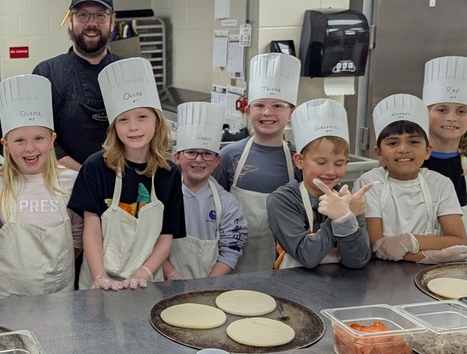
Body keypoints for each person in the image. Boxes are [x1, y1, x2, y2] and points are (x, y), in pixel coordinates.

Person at [69, 57, 185, 290]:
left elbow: (165, 236)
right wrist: (100, 278)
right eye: (123, 120)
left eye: (142, 117)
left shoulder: (168, 173)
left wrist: (144, 272)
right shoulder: (96, 167)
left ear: (157, 121)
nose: (133, 127)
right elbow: (91, 230)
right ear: (113, 127)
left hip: (145, 283)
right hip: (97, 282)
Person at [0, 74, 83, 298]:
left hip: (59, 296)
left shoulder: (70, 181)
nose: (30, 148)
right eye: (19, 140)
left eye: (38, 138)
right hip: (6, 298)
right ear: (5, 145)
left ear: (52, 140)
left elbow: (77, 235)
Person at [356, 94, 467, 264]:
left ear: (427, 151)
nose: (403, 149)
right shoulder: (368, 183)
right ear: (378, 152)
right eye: (393, 143)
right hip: (379, 273)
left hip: (430, 273)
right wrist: (425, 256)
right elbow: (375, 244)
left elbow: (459, 239)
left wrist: (410, 241)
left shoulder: (440, 184)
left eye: (414, 142)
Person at [214, 53, 301, 273]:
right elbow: (214, 206)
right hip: (233, 260)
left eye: (278, 106)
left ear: (292, 112)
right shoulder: (230, 155)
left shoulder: (298, 159)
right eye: (259, 105)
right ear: (247, 111)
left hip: (285, 263)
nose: (267, 113)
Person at [268, 99, 374, 269]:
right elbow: (307, 256)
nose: (331, 171)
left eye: (339, 164)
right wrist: (340, 218)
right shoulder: (283, 200)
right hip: (291, 286)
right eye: (321, 162)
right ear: (300, 161)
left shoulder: (348, 199)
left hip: (343, 286)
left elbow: (358, 260)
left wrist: (346, 215)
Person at [32, 0, 121, 171]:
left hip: (119, 179)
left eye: (100, 15)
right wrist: (83, 175)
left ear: (112, 21)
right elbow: (37, 137)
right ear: (70, 21)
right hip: (64, 183)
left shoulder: (128, 72)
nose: (91, 23)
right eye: (82, 15)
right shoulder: (46, 74)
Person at [162, 102, 247, 279]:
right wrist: (173, 276)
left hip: (210, 283)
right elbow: (150, 241)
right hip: (164, 281)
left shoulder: (227, 203)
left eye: (207, 153)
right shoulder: (162, 195)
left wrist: (207, 285)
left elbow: (231, 249)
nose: (199, 160)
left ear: (217, 161)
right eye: (191, 152)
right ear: (177, 157)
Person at [422, 56, 467, 247]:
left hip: (460, 266)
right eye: (442, 110)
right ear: (424, 113)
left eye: (461, 111)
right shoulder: (408, 164)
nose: (452, 118)